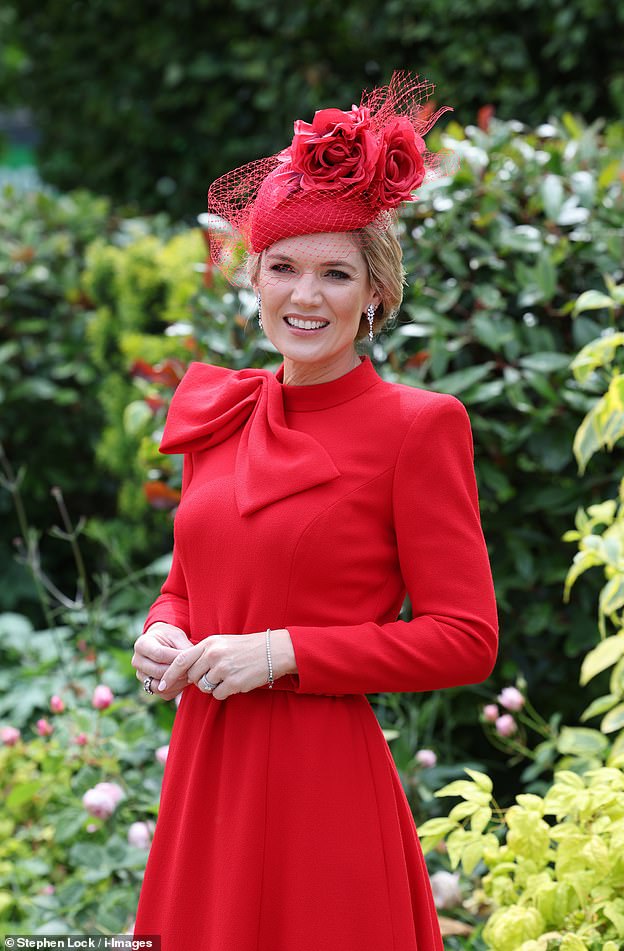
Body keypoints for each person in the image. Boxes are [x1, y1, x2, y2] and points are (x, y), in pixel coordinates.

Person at [131, 72, 498, 951]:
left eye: (336, 272)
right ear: (253, 275)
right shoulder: (221, 413)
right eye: (285, 267)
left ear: (374, 292)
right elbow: (189, 582)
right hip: (203, 776)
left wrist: (285, 651)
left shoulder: (420, 427)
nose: (306, 295)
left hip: (322, 784)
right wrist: (162, 631)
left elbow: (465, 637)